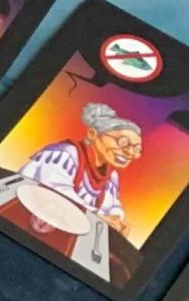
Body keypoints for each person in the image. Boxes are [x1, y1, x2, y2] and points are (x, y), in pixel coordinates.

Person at [14, 101, 140, 240]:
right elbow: (58, 193)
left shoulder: (111, 176)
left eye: (136, 148)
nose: (130, 152)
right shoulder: (66, 153)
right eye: (123, 142)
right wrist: (98, 217)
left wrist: (117, 220)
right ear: (93, 134)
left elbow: (111, 204)